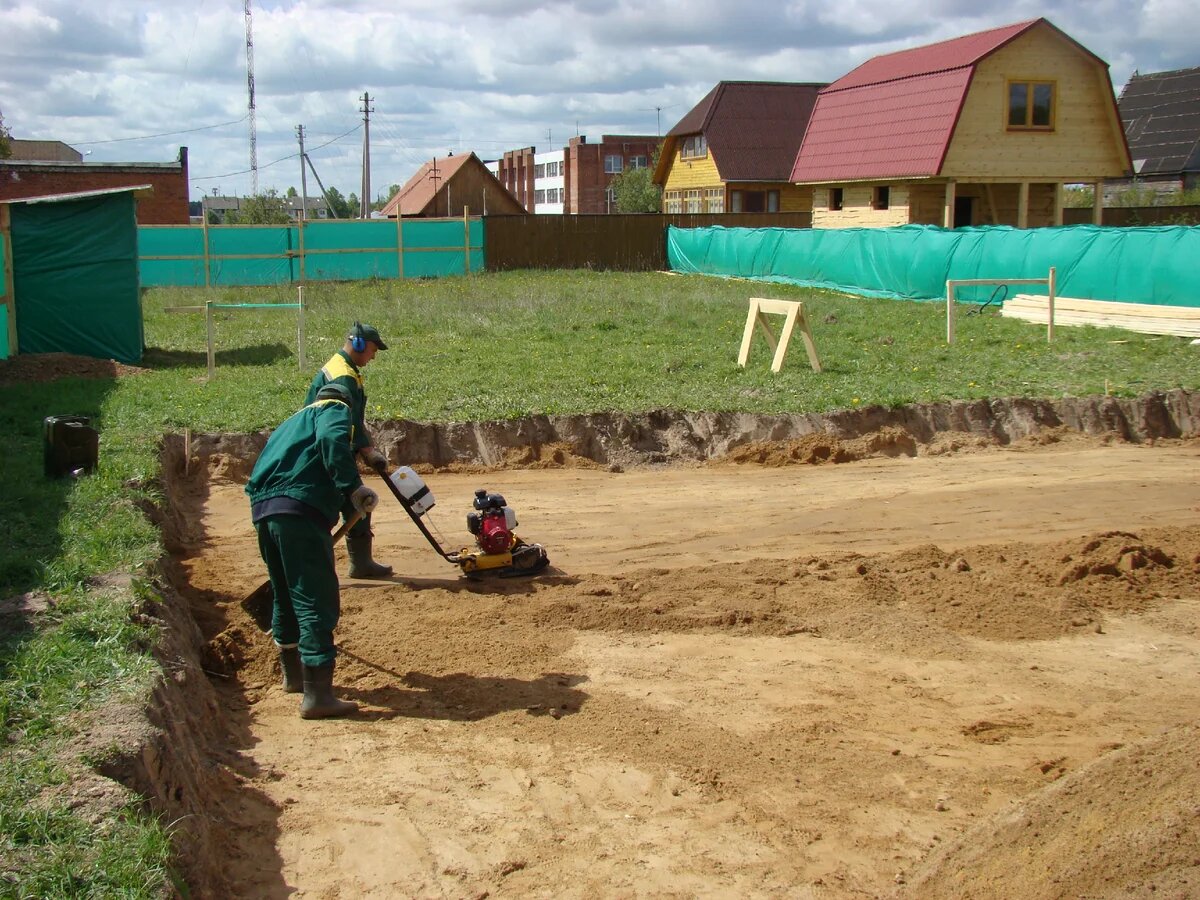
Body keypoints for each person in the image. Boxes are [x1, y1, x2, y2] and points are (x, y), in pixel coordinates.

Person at [246, 382, 379, 719]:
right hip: (299, 513)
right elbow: (332, 441)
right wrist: (353, 488)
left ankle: (293, 679)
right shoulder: (335, 411)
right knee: (313, 598)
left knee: (284, 594)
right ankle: (318, 696)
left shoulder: (291, 422)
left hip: (264, 512)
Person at [305, 321, 392, 579]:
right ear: (359, 344)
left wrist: (366, 450)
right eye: (373, 350)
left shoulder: (342, 367)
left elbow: (352, 420)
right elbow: (344, 421)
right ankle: (352, 565)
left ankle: (359, 563)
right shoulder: (343, 375)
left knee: (355, 506)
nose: (374, 356)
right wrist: (363, 452)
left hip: (330, 448)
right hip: (330, 452)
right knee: (356, 502)